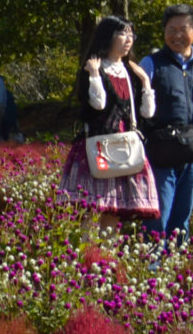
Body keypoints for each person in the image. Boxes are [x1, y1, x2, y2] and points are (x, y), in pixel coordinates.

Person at [57, 16, 159, 221]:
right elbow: (98, 104)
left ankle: (106, 253)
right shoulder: (95, 67)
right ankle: (91, 252)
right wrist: (94, 75)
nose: (128, 39)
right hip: (99, 144)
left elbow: (147, 113)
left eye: (131, 34)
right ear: (108, 36)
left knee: (115, 210)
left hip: (124, 146)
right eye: (122, 33)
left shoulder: (131, 72)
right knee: (93, 209)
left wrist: (146, 82)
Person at [140, 4, 193, 243]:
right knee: (158, 212)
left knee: (182, 216)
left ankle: (178, 266)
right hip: (160, 151)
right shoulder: (151, 63)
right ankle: (152, 267)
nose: (176, 35)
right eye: (171, 29)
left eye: (183, 29)